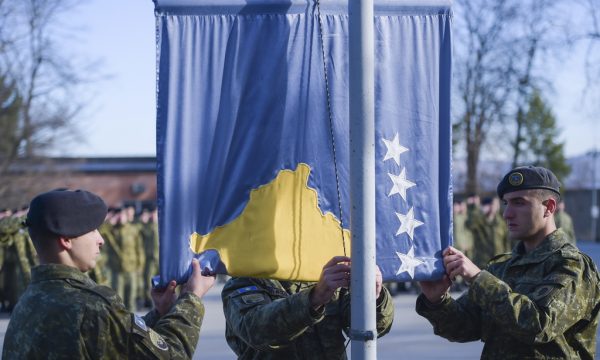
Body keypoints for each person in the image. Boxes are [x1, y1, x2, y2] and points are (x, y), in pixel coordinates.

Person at [2, 189, 215, 359]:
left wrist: (159, 314)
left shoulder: (29, 301)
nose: (100, 239)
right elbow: (170, 356)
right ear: (66, 240)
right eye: (92, 230)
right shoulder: (90, 305)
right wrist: (191, 299)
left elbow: (116, 343)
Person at [416, 165, 600, 359]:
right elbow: (464, 327)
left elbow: (539, 326)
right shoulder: (500, 267)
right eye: (506, 203)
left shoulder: (573, 266)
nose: (507, 214)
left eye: (519, 203)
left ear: (549, 207)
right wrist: (438, 301)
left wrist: (477, 278)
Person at [222, 256, 395, 359]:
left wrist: (373, 297)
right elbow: (256, 331)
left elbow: (373, 328)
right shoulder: (245, 280)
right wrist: (314, 298)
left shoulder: (324, 273)